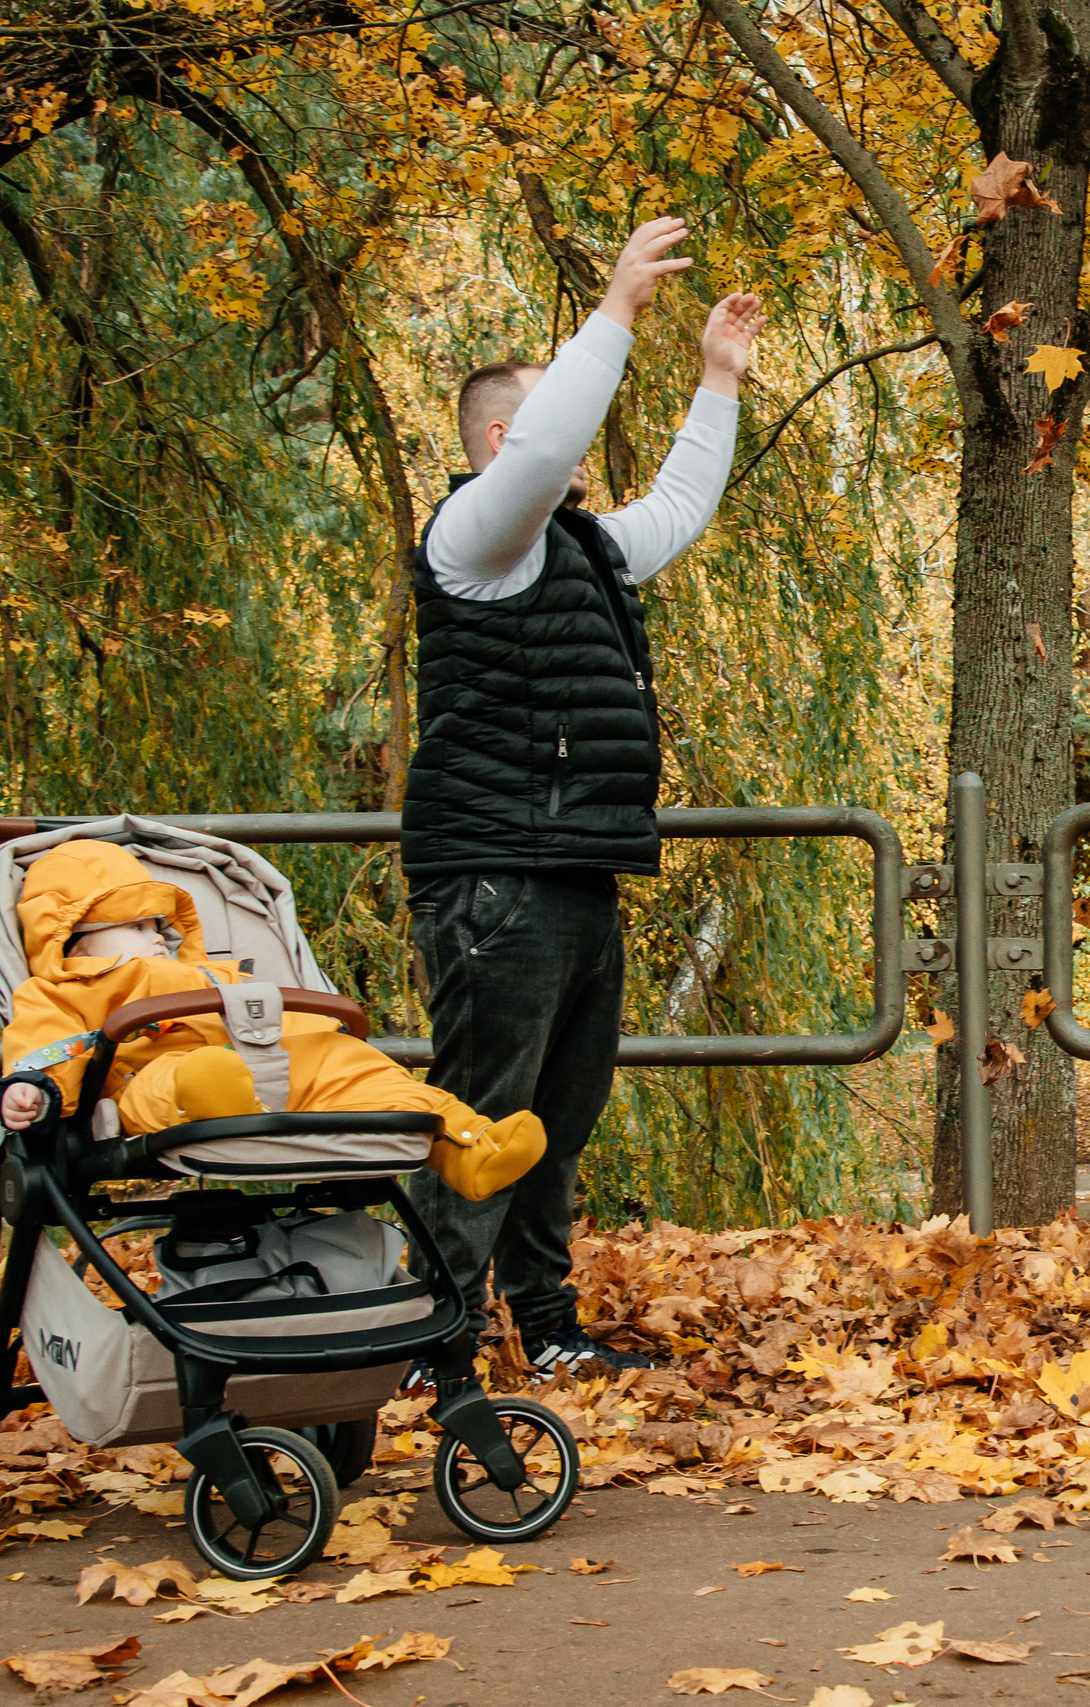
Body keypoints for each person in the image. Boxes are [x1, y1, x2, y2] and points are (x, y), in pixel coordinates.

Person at [401, 216, 761, 1381]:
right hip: (494, 875)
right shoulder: (474, 537)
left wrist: (714, 381)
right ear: (505, 438)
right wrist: (614, 312)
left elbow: (679, 508)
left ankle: (543, 1328)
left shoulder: (583, 549)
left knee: (554, 1121)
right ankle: (436, 1342)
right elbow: (552, 447)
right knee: (479, 1116)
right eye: (552, 416)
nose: (575, 443)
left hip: (574, 868)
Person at [0, 840, 545, 1202]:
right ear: (74, 938)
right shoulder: (58, 991)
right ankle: (219, 1103)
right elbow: (41, 1047)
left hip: (264, 1065)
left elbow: (284, 1018)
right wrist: (32, 1090)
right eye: (135, 925)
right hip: (149, 1080)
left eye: (159, 925)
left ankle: (468, 1145)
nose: (155, 937)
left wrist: (322, 1038)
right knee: (186, 1077)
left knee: (356, 1064)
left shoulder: (212, 973)